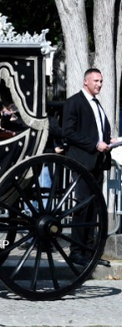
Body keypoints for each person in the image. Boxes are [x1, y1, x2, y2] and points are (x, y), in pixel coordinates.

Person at [62, 68, 115, 267]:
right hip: (83, 162)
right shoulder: (74, 102)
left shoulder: (97, 104)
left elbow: (98, 128)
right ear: (85, 81)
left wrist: (108, 140)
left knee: (93, 208)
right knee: (82, 207)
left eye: (101, 81)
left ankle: (90, 252)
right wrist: (94, 143)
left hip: (97, 163)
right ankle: (76, 251)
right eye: (96, 81)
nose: (99, 84)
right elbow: (68, 132)